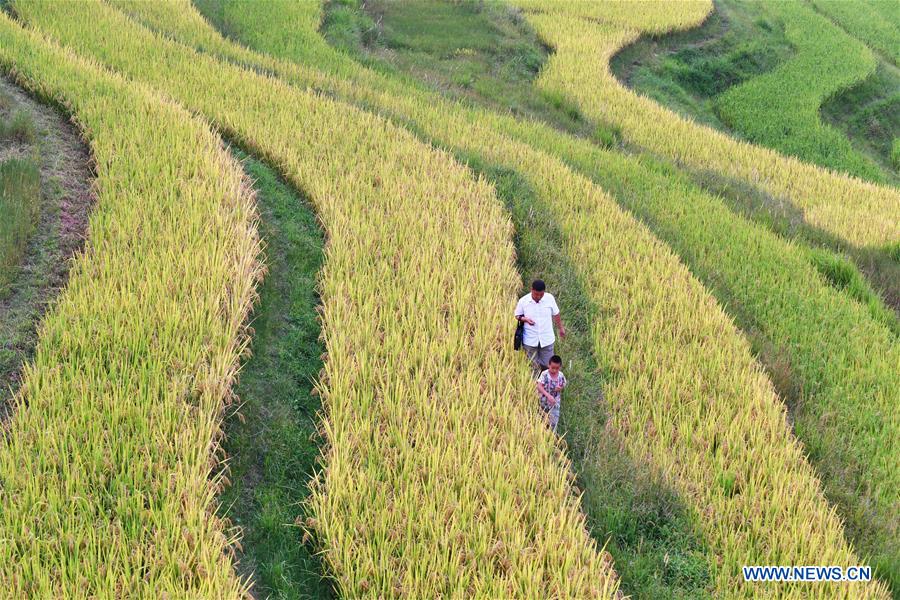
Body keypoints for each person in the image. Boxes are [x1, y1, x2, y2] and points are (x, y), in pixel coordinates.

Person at [514, 279, 565, 374]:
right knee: (533, 366)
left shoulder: (549, 298)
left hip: (547, 338)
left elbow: (556, 314)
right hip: (530, 339)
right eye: (536, 294)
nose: (538, 297)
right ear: (531, 290)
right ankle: (534, 386)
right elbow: (517, 315)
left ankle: (547, 385)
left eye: (541, 295)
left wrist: (561, 328)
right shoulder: (523, 301)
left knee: (548, 365)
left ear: (544, 292)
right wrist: (525, 319)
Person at [537, 355, 566, 433]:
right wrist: (548, 395)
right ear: (548, 365)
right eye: (552, 368)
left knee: (553, 421)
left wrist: (560, 388)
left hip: (555, 403)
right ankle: (541, 433)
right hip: (543, 401)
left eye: (557, 368)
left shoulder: (561, 375)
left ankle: (551, 437)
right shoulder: (544, 374)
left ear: (560, 367)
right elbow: (539, 386)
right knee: (542, 419)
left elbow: (563, 384)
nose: (554, 370)